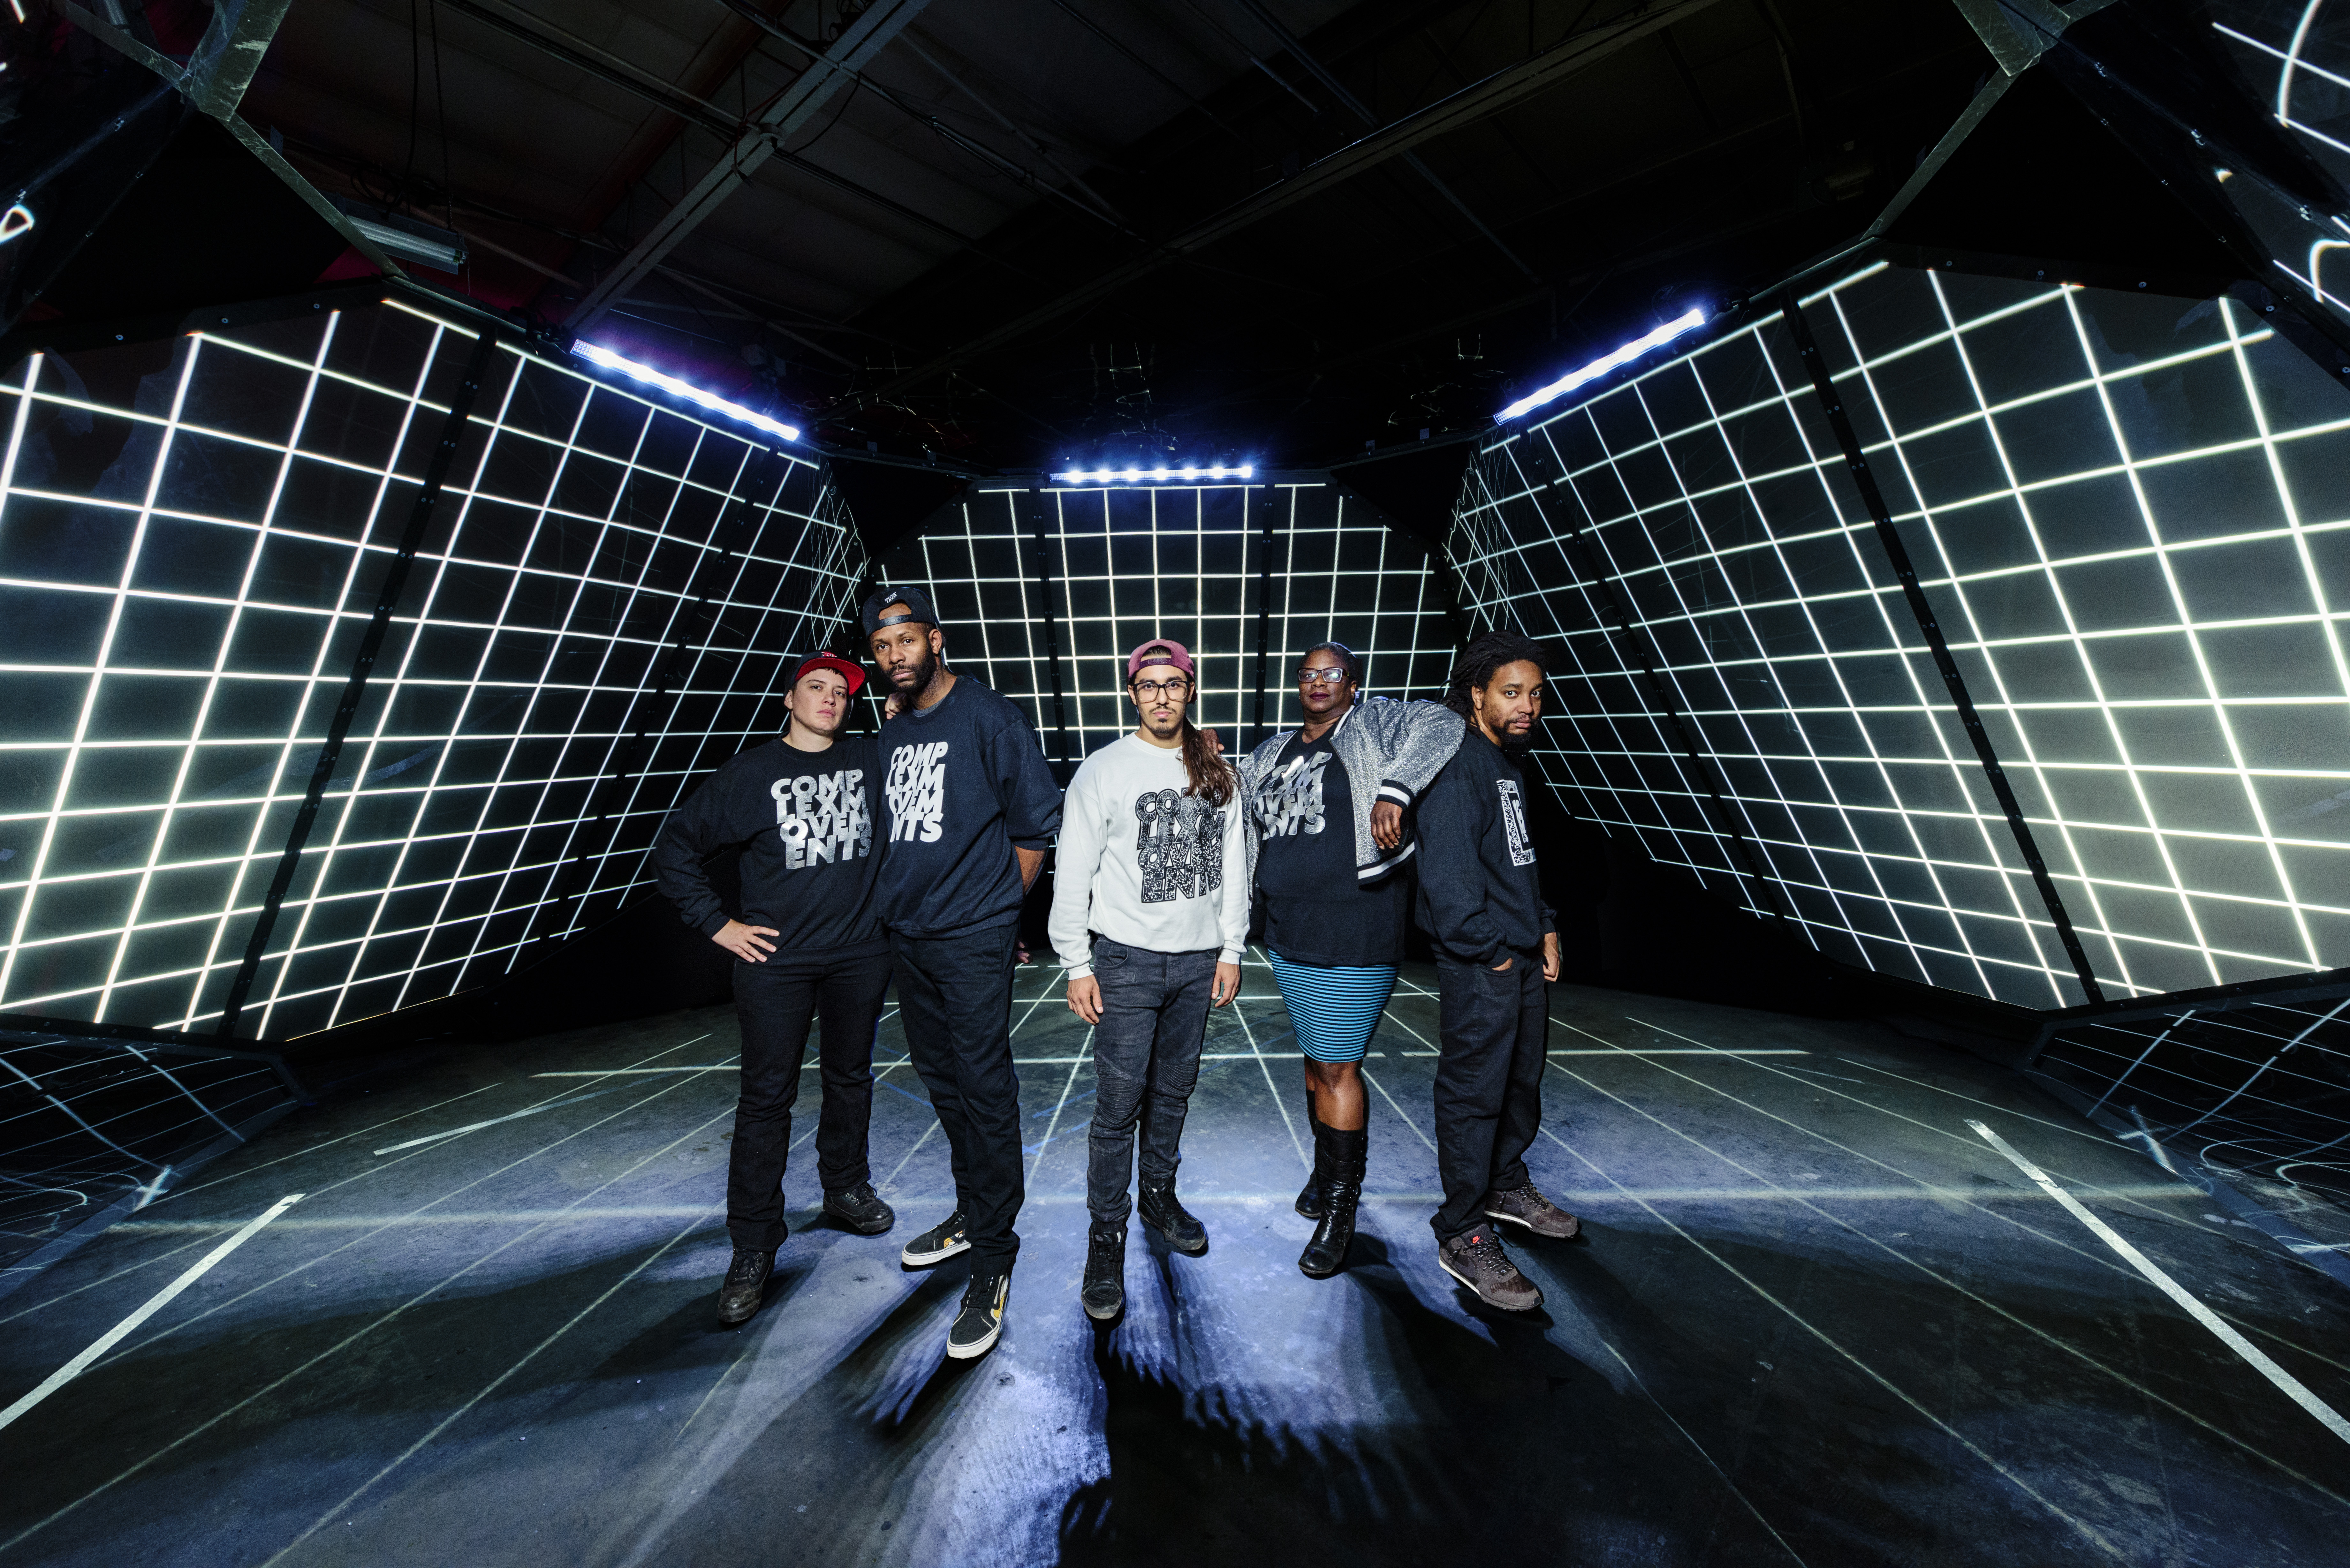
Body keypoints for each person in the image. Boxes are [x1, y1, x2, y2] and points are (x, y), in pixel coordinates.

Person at [652, 652, 896, 1328]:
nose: (829, 699)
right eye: (815, 688)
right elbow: (674, 849)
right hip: (776, 963)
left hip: (860, 954)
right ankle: (754, 1244)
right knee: (766, 1099)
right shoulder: (751, 774)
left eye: (841, 693)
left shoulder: (870, 759)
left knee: (850, 1076)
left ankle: (845, 1187)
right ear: (790, 699)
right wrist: (718, 924)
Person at [865, 583, 1063, 1360]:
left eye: (905, 640)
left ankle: (994, 1257)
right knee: (941, 1081)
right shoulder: (887, 730)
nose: (894, 656)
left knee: (984, 1087)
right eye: (881, 647)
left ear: (935, 640)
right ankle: (969, 1210)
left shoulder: (988, 715)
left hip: (969, 935)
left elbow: (1035, 825)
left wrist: (995, 914)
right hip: (907, 934)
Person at [1240, 641, 1463, 1278]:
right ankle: (1322, 1170)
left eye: (1330, 672)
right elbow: (1238, 806)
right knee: (1315, 1059)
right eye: (1307, 674)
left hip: (1357, 922)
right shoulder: (1272, 750)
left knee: (1338, 1064)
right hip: (1288, 929)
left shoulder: (1372, 724)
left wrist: (1395, 788)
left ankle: (1341, 1212)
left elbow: (1442, 722)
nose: (1317, 682)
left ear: (1352, 683)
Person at [1049, 639, 1247, 1321]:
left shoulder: (1216, 769)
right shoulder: (1101, 770)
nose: (1161, 695)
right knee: (1117, 1107)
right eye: (1148, 685)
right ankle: (1105, 1236)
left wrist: (1231, 948)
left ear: (1189, 690)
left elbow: (1233, 864)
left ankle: (1158, 1199)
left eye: (1173, 683)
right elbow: (1071, 870)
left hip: (1197, 963)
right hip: (1125, 962)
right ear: (1131, 694)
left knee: (1173, 1094)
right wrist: (1076, 961)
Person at [1414, 631, 1579, 1311]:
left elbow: (1520, 856)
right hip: (1482, 961)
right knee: (1473, 1093)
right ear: (1476, 693)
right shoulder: (1458, 764)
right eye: (1511, 692)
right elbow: (1448, 881)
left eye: (1535, 693)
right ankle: (1460, 1230)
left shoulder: (1508, 764)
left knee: (1519, 1082)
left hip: (1514, 951)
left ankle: (1505, 1183)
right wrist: (1491, 950)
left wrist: (1541, 920)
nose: (1528, 706)